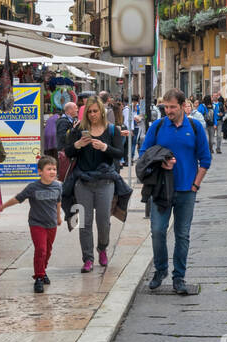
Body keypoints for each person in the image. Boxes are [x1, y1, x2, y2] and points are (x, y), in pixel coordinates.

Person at [140, 88, 211, 293]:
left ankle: (179, 277)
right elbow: (144, 153)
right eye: (166, 107)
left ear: (182, 106)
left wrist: (195, 184)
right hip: (161, 189)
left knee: (182, 235)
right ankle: (160, 269)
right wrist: (160, 162)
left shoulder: (195, 127)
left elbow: (205, 159)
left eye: (172, 107)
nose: (168, 110)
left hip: (186, 191)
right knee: (157, 231)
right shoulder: (158, 126)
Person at [62, 95, 126, 273]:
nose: (92, 115)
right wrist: (77, 145)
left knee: (103, 221)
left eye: (95, 111)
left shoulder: (112, 130)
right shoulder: (78, 130)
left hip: (105, 181)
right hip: (83, 182)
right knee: (85, 223)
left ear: (102, 112)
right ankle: (88, 258)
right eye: (89, 112)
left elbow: (120, 153)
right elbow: (67, 152)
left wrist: (104, 147)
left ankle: (102, 248)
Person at [0, 155, 62, 293]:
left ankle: (43, 270)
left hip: (51, 224)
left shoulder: (58, 187)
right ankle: (39, 278)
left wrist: (58, 217)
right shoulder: (33, 187)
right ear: (40, 171)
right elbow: (18, 199)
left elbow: (58, 202)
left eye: (54, 169)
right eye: (49, 169)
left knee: (47, 251)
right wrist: (2, 206)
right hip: (37, 224)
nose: (52, 171)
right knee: (40, 249)